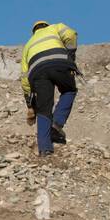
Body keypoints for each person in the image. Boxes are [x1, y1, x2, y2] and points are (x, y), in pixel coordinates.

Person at [20, 20, 79, 156]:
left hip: (38, 71)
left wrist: (29, 103)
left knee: (43, 109)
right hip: (59, 63)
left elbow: (24, 76)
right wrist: (71, 55)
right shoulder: (55, 28)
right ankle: (57, 123)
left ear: (34, 31)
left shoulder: (28, 45)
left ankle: (45, 149)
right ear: (46, 26)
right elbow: (70, 34)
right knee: (69, 90)